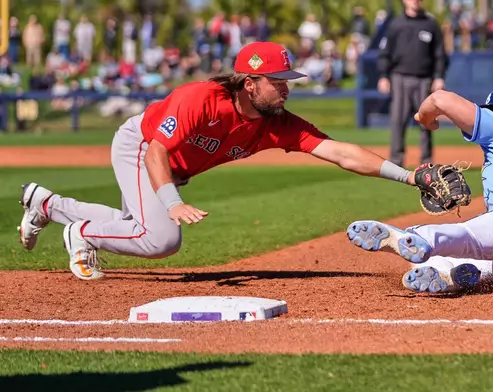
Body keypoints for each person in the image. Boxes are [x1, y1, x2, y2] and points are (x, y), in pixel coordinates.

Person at [18, 41, 422, 281]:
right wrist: (173, 202)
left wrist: (408, 177)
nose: (287, 88)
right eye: (278, 81)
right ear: (250, 83)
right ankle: (83, 234)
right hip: (141, 146)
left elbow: (339, 152)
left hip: (169, 164)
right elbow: (157, 149)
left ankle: (48, 205)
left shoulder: (276, 123)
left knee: (130, 227)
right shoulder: (200, 99)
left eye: (288, 80)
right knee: (161, 238)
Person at [346, 87, 493, 294]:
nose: (487, 116)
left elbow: (440, 98)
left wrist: (424, 118)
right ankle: (451, 276)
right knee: (449, 261)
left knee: (464, 238)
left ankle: (416, 236)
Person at [377, 0, 446, 167]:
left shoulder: (430, 24)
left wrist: (439, 76)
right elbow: (385, 52)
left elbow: (440, 53)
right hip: (399, 77)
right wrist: (384, 75)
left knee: (426, 121)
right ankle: (396, 161)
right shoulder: (396, 24)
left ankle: (427, 161)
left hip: (424, 79)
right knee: (398, 120)